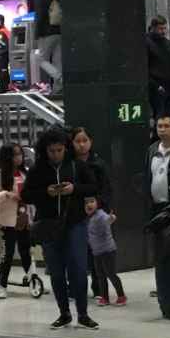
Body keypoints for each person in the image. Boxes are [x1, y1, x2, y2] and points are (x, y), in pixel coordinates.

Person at [22, 127, 97, 329]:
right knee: (56, 272)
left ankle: (83, 313)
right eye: (51, 151)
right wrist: (46, 192)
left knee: (79, 270)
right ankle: (64, 313)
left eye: (59, 150)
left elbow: (94, 186)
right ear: (45, 150)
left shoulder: (77, 166)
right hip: (48, 224)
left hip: (75, 223)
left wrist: (75, 189)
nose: (55, 154)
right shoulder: (38, 170)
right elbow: (26, 195)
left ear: (66, 148)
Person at [70, 127, 113, 300]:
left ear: (91, 142)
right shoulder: (69, 164)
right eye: (77, 141)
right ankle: (74, 288)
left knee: (98, 253)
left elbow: (107, 189)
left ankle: (99, 288)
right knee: (76, 254)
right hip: (75, 214)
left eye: (85, 140)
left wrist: (99, 206)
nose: (81, 144)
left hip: (96, 214)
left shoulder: (99, 163)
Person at [0, 143, 31, 300]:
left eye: (20, 154)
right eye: (15, 155)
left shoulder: (25, 173)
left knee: (26, 251)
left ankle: (33, 282)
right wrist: (6, 194)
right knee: (8, 253)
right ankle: (2, 285)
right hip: (8, 220)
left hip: (24, 218)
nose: (18, 158)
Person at [87, 199, 126, 307]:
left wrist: (111, 219)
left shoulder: (100, 214)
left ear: (97, 203)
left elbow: (107, 220)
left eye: (91, 201)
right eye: (86, 203)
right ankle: (104, 298)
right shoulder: (88, 218)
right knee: (100, 275)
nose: (89, 205)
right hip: (96, 251)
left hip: (107, 250)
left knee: (111, 274)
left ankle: (121, 296)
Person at [146, 16, 170, 125]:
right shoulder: (146, 42)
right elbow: (144, 68)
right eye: (160, 28)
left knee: (169, 118)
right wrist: (155, 85)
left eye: (165, 28)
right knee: (159, 119)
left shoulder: (167, 44)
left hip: (169, 87)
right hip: (155, 88)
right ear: (153, 28)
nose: (163, 31)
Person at [33, 0, 62, 91]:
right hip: (58, 31)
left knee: (39, 59)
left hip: (46, 33)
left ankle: (60, 77)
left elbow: (40, 16)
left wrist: (36, 34)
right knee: (57, 61)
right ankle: (58, 88)